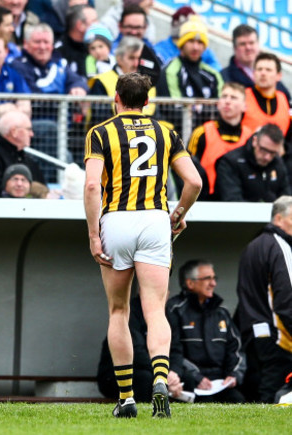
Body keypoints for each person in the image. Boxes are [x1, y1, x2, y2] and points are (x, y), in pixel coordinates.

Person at [83, 72, 202, 418]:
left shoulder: (100, 132)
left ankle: (127, 398)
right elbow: (193, 181)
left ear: (116, 99)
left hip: (116, 220)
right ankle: (161, 381)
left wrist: (93, 234)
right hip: (154, 220)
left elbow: (92, 187)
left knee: (119, 311)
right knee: (155, 311)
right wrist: (177, 214)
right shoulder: (166, 132)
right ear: (147, 102)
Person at [235, 195, 292, 403]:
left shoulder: (253, 245)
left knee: (261, 384)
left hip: (253, 330)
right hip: (276, 333)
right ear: (278, 218)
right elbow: (285, 297)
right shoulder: (280, 246)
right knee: (275, 387)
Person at [167, 260, 246, 403]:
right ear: (190, 283)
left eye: (214, 278)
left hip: (220, 383)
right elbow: (172, 352)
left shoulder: (222, 313)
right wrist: (197, 377)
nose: (213, 283)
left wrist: (234, 374)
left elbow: (236, 348)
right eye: (207, 279)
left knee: (238, 401)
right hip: (189, 382)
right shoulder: (174, 310)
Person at [97, 294, 185, 403]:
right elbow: (137, 353)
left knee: (186, 378)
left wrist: (174, 373)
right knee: (145, 378)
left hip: (155, 369)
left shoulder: (169, 315)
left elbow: (176, 349)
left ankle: (178, 417)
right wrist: (162, 374)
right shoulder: (130, 311)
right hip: (117, 374)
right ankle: (143, 413)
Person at [187, 82, 252, 197]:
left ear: (244, 106)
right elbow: (187, 167)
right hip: (207, 199)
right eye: (224, 96)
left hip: (240, 198)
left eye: (234, 98)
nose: (227, 101)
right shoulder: (202, 133)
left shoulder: (250, 137)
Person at [215, 123, 290, 202]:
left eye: (272, 153)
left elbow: (286, 198)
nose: (267, 157)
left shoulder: (277, 163)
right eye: (263, 150)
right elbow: (232, 200)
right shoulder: (231, 162)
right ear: (255, 141)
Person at [0, 110, 45, 197]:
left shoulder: (28, 159)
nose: (32, 134)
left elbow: (42, 188)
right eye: (28, 129)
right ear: (14, 131)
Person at [156, 16, 222, 99]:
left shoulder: (213, 75)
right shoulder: (170, 72)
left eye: (200, 42)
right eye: (191, 41)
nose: (195, 47)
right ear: (181, 44)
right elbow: (175, 109)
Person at [221, 24, 291, 99]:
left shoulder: (272, 75)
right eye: (243, 44)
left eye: (251, 43)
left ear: (258, 44)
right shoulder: (224, 77)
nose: (248, 47)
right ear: (235, 48)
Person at [153, 6, 221, 71]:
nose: (195, 47)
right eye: (190, 41)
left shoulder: (203, 50)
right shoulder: (160, 49)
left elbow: (217, 69)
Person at [242, 53, 290, 139]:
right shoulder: (242, 97)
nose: (263, 73)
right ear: (253, 74)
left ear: (279, 76)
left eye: (268, 70)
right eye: (259, 69)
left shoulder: (284, 99)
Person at [54, 4, 97, 78]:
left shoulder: (96, 45)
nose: (98, 24)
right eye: (94, 21)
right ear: (80, 25)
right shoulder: (59, 52)